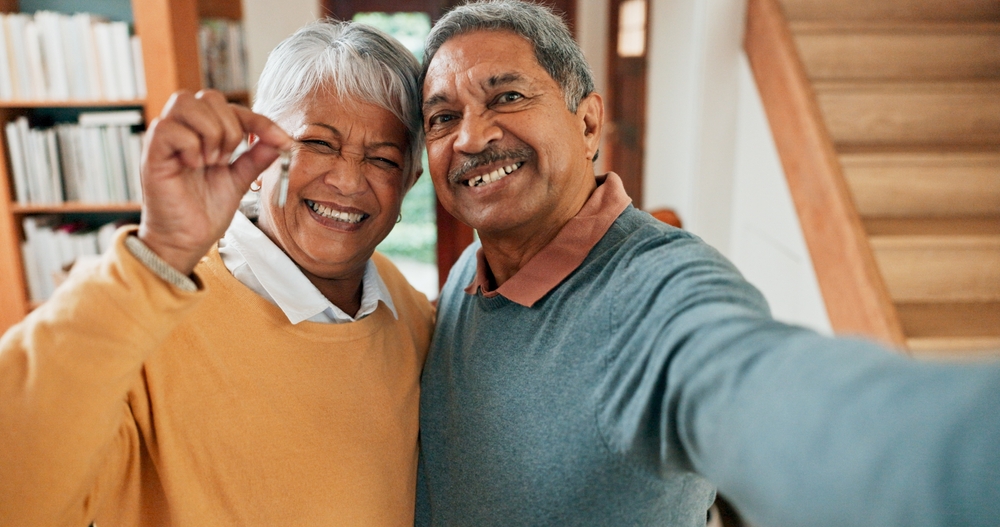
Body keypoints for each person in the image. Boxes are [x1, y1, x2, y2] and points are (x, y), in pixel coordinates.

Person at [415, 1, 1000, 526]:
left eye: (507, 97)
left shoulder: (657, 291)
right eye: (442, 117)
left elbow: (759, 390)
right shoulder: (473, 269)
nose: (470, 137)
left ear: (588, 122)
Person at [0, 21, 433, 525]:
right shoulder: (145, 314)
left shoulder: (403, 305)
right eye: (319, 143)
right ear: (257, 145)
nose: (347, 179)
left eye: (382, 158)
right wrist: (159, 253)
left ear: (408, 183)